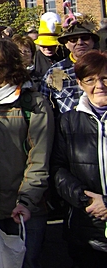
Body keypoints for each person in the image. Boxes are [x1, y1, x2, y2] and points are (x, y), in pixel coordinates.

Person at [0, 39, 54, 268]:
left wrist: (27, 200)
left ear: (1, 66)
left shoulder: (33, 104)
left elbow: (39, 157)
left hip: (25, 209)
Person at [51, 51, 107, 266]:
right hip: (86, 229)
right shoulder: (68, 122)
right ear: (80, 84)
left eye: (105, 78)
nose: (99, 85)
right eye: (90, 80)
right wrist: (87, 200)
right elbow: (58, 170)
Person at [41, 21, 98, 115]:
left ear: (93, 41)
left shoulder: (103, 67)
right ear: (66, 44)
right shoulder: (55, 72)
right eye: (73, 39)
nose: (80, 42)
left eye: (85, 38)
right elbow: (45, 106)